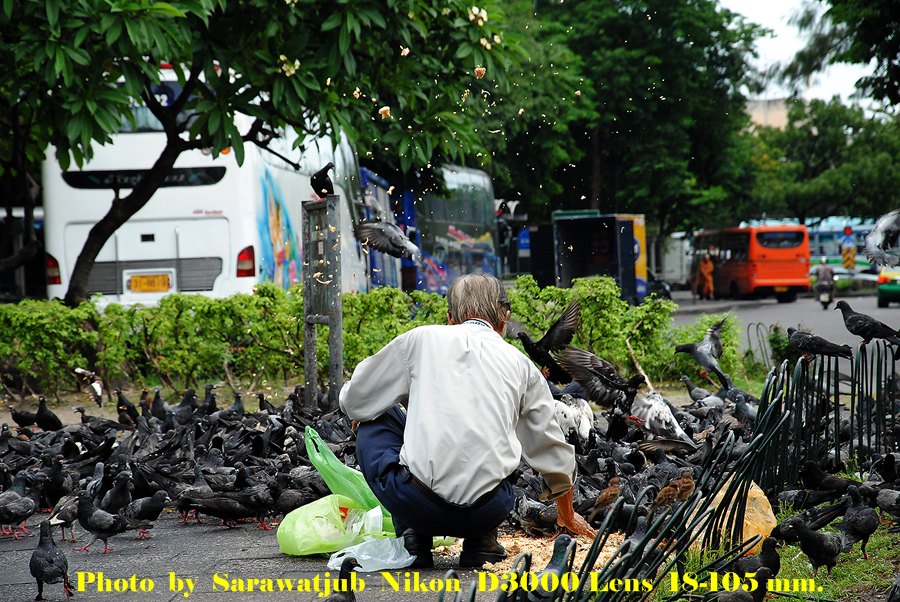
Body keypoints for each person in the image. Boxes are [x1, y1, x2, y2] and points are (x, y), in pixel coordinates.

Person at [339, 274, 588, 569]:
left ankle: (413, 537)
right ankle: (482, 541)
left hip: (416, 503)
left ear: (449, 318)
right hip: (488, 509)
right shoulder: (521, 365)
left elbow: (353, 400)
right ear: (504, 318)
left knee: (374, 417)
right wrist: (567, 515)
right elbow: (552, 451)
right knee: (500, 441)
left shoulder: (420, 340)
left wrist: (368, 411)